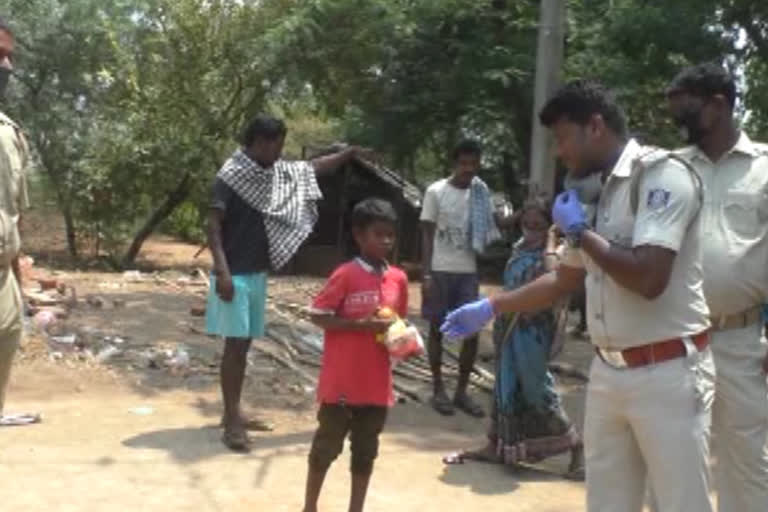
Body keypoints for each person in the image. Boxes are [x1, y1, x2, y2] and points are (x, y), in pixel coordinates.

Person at [440, 80, 715, 512]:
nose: (559, 151)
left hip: (667, 373)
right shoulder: (594, 193)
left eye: (563, 137)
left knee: (680, 504)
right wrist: (493, 306)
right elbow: (563, 280)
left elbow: (649, 277)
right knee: (606, 502)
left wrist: (579, 233)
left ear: (596, 126)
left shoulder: (661, 176)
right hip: (609, 371)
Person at [206, 115, 368, 451]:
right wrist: (222, 272)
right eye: (276, 144)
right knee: (234, 348)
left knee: (245, 344)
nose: (280, 152)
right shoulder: (230, 177)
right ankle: (232, 422)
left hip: (255, 272)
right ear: (258, 143)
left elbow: (312, 168)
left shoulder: (271, 174)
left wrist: (347, 154)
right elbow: (213, 227)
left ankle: (231, 411)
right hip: (233, 274)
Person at [666, 62, 768, 512]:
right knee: (675, 459)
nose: (677, 119)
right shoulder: (669, 169)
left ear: (718, 105)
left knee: (746, 461)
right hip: (676, 341)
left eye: (685, 108)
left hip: (744, 343)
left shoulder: (765, 169)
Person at [442, 197, 584, 479]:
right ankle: (499, 446)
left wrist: (551, 240)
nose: (530, 229)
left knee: (536, 389)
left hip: (533, 332)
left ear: (550, 227)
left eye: (538, 225)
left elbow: (552, 276)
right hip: (509, 328)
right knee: (506, 387)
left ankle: (575, 445)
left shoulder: (557, 253)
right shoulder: (518, 248)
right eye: (526, 224)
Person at [302, 199, 407, 512]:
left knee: (365, 453)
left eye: (390, 235)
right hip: (341, 386)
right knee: (325, 448)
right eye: (379, 234)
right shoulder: (346, 274)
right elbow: (318, 314)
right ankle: (310, 506)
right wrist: (360, 325)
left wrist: (403, 339)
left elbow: (398, 323)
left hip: (376, 387)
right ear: (359, 235)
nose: (386, 241)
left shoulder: (398, 279)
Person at [420, 139, 509, 417]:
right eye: (463, 163)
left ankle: (461, 391)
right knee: (437, 329)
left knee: (471, 332)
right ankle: (438, 389)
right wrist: (426, 274)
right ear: (454, 164)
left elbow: (499, 224)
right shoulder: (436, 192)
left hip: (468, 271)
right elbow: (426, 233)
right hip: (440, 270)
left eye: (473, 164)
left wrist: (522, 212)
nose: (468, 169)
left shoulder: (482, 194)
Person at [0, 17, 36, 426]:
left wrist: (18, 280)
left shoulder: (9, 133)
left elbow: (15, 213)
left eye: (9, 57)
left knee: (8, 338)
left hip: (2, 272)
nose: (6, 68)